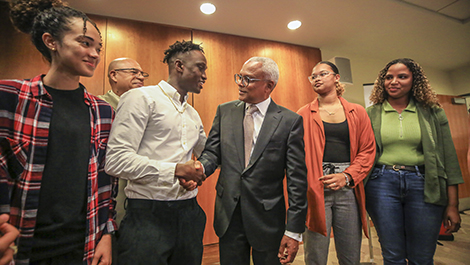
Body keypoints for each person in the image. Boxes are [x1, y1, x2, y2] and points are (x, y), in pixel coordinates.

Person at [0, 0, 117, 264]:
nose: (95, 53)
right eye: (85, 43)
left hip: (83, 244)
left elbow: (107, 179)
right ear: (51, 41)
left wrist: (106, 234)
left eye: (98, 47)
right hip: (21, 245)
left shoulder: (102, 110)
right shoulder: (11, 96)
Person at [105, 40, 207, 265]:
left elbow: (207, 152)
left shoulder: (192, 114)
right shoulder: (140, 98)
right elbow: (115, 161)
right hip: (148, 215)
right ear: (179, 65)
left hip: (189, 213)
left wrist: (195, 174)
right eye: (200, 66)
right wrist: (176, 170)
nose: (204, 74)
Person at [198, 57, 308, 265]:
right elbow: (212, 153)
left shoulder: (289, 121)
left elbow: (297, 180)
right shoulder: (225, 111)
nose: (240, 83)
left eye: (248, 79)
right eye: (240, 77)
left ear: (268, 86)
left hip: (267, 219)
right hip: (228, 216)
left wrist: (294, 230)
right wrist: (200, 168)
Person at [366, 58, 464, 265]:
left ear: (414, 81)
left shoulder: (433, 112)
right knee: (392, 256)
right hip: (381, 183)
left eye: (402, 76)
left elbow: (449, 159)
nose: (394, 81)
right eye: (389, 77)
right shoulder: (371, 113)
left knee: (422, 256)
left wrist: (453, 205)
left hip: (424, 183)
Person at [297, 61, 375, 265]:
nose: (317, 78)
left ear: (337, 77)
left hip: (348, 188)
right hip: (315, 188)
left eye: (322, 74)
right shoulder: (302, 114)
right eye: (313, 76)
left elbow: (367, 151)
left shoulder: (357, 112)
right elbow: (294, 154)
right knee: (315, 254)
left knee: (350, 254)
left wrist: (347, 176)